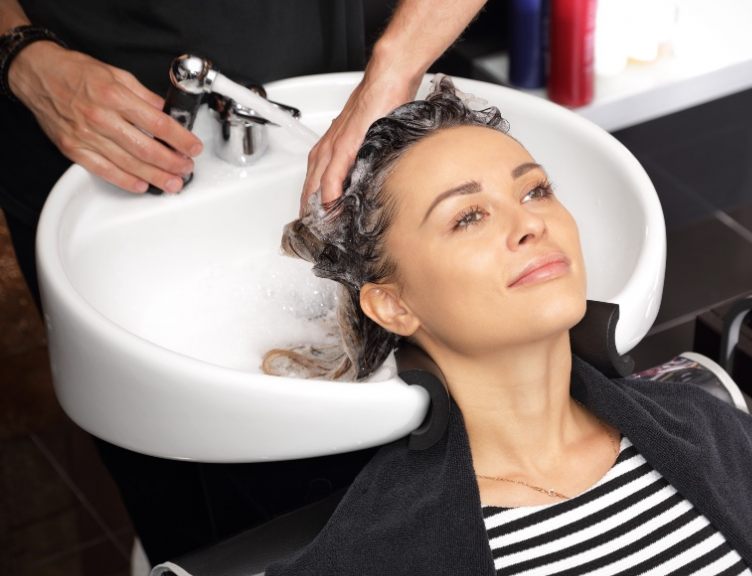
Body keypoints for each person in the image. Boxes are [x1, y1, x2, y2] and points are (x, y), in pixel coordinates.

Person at [266, 76, 752, 575]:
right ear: (393, 305)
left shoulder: (714, 437)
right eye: (467, 217)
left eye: (534, 189)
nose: (529, 223)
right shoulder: (387, 553)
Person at [0, 0, 485, 563]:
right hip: (81, 145)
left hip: (317, 101)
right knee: (165, 493)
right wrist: (20, 54)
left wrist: (397, 62)